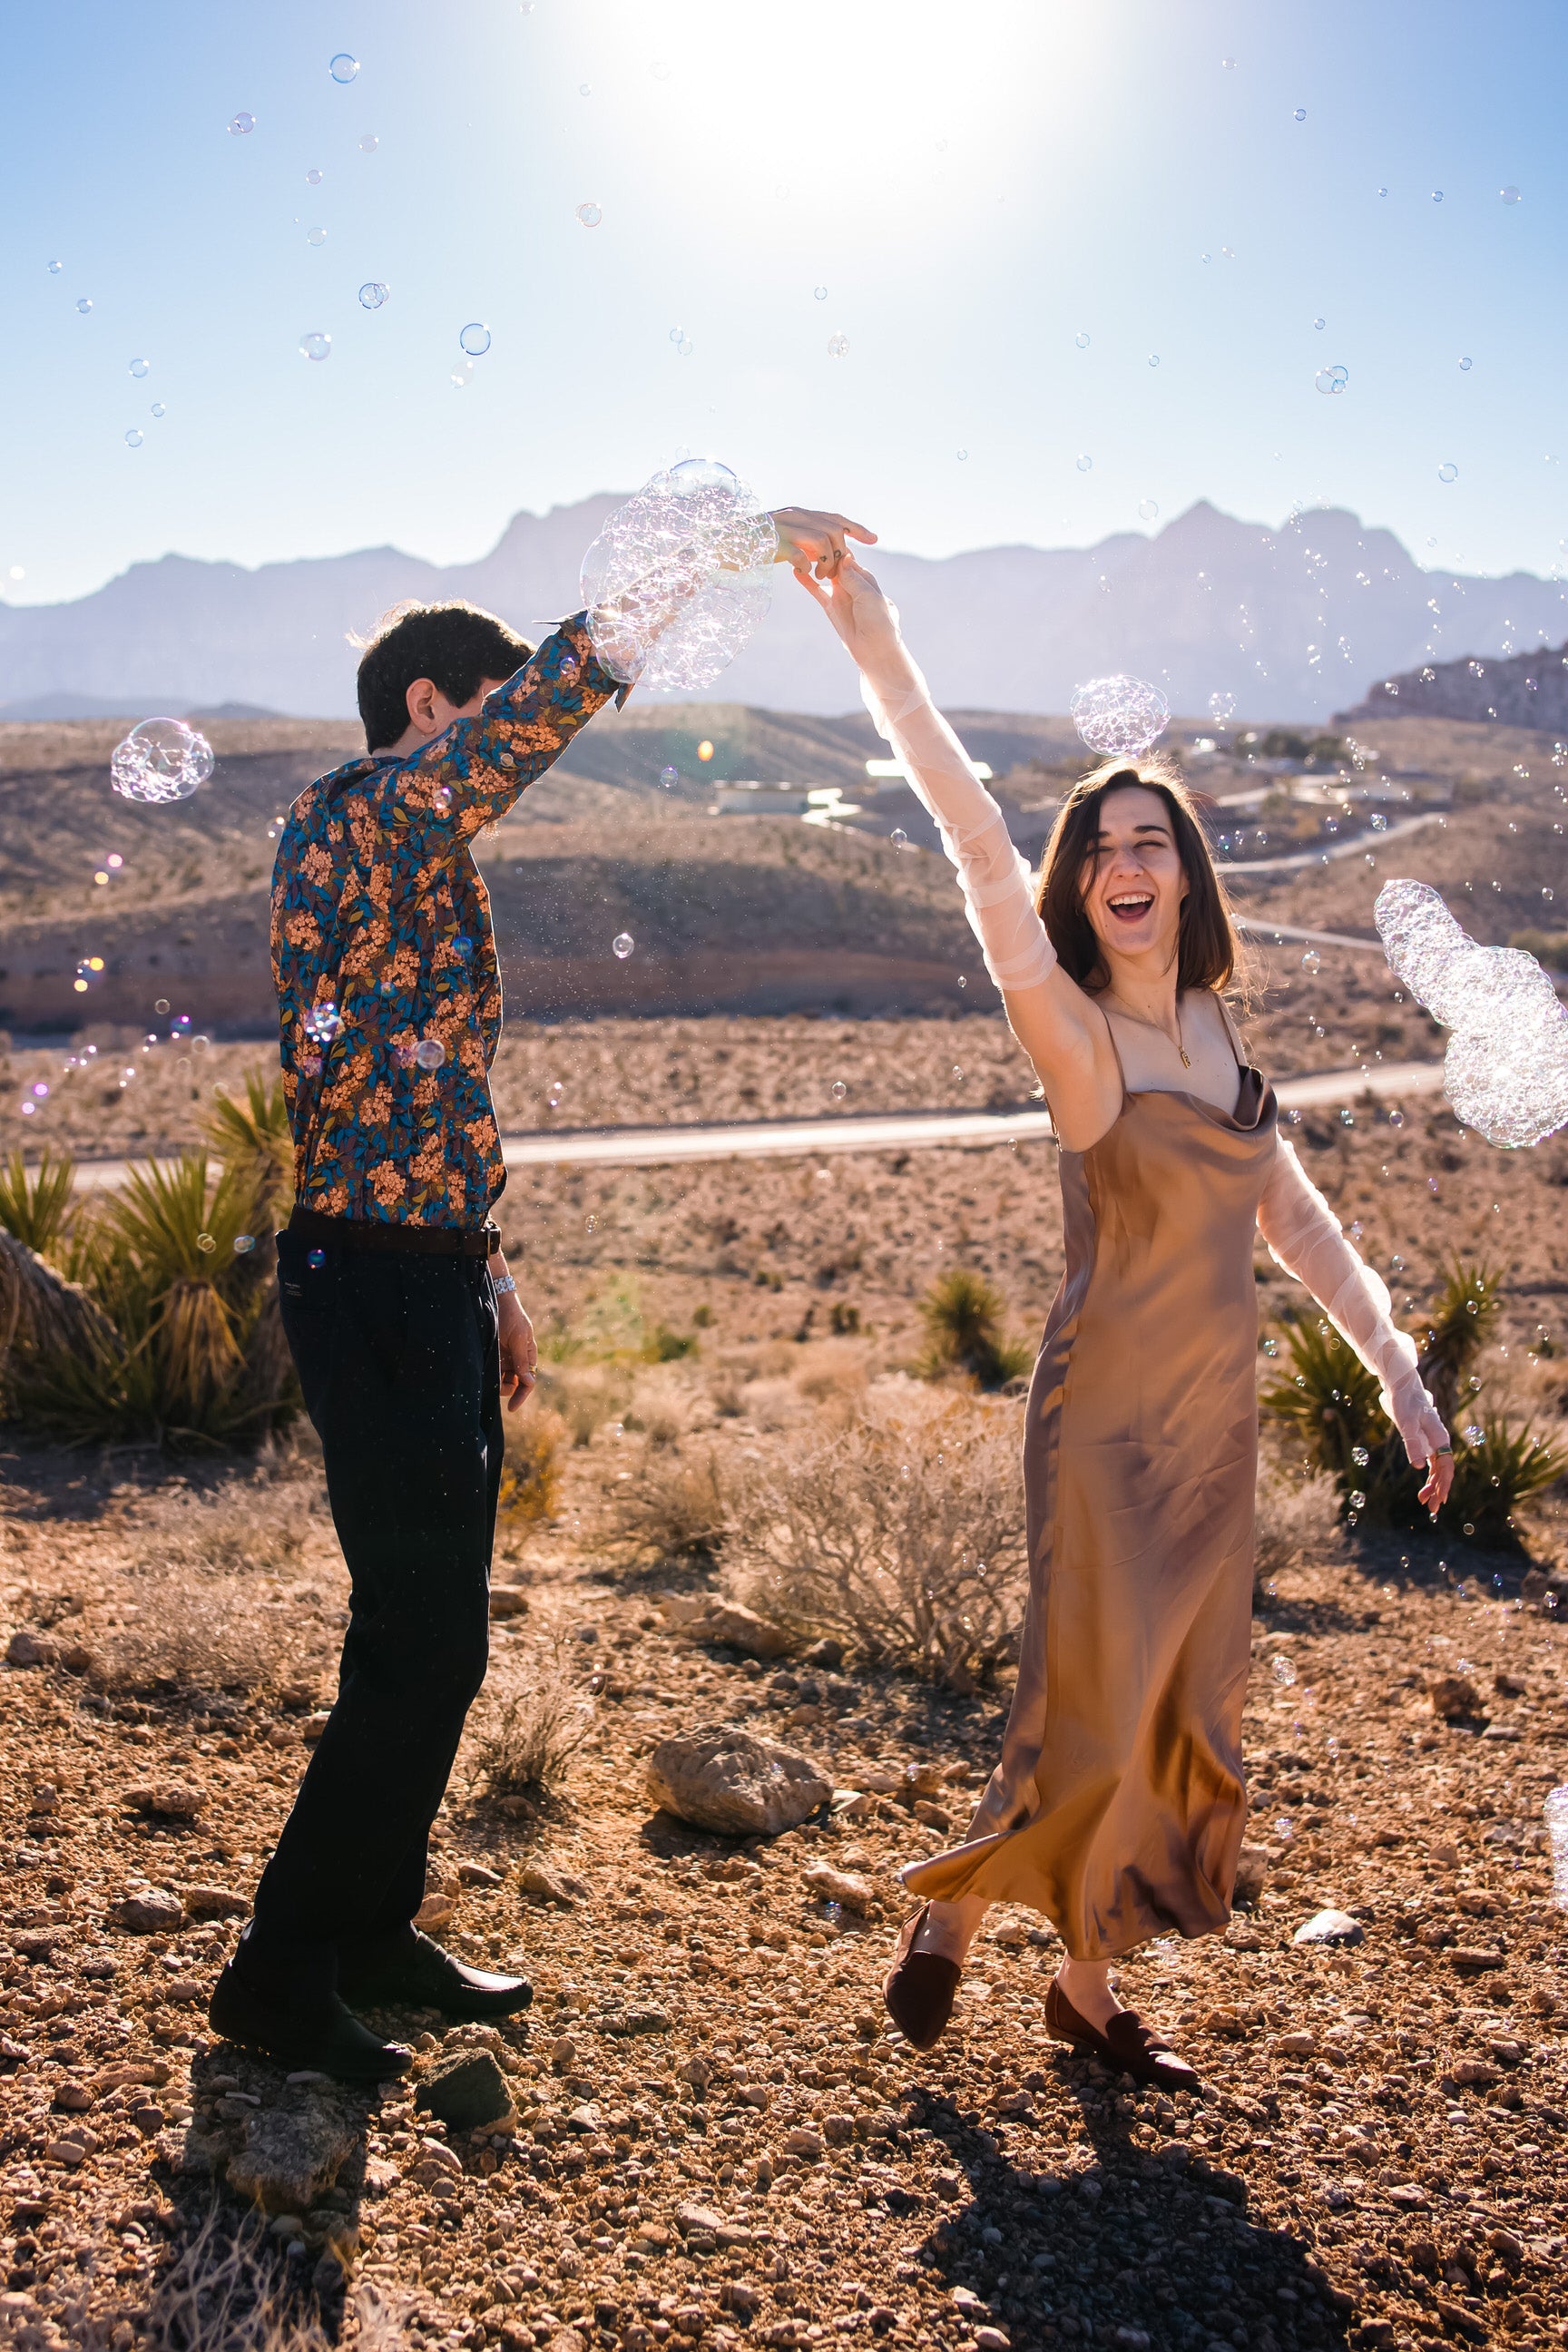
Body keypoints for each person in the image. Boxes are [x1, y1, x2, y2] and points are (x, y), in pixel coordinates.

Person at [211, 505, 874, 2082]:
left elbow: (416, 1094)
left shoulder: (420, 861)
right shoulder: (362, 810)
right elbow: (544, 707)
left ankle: (373, 1929)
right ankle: (279, 1970)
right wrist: (718, 548)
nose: (505, 754)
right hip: (364, 1277)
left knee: (444, 1637)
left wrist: (490, 1271)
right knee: (416, 1642)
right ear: (432, 713)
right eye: (481, 708)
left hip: (424, 1269)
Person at [799, 558, 1453, 2088]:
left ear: (1189, 870)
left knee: (1159, 1697)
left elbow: (1294, 1221)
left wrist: (1403, 1377)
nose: (1128, 862)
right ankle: (1011, 1940)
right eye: (1102, 846)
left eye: (1153, 839)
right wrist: (877, 645)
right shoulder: (1077, 1036)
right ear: (1079, 881)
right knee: (1092, 1681)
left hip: (1213, 1424)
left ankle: (1047, 1971)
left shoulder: (1222, 1029)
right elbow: (973, 848)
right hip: (1103, 1419)